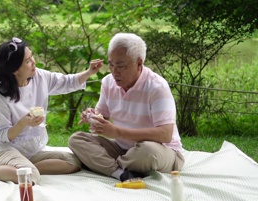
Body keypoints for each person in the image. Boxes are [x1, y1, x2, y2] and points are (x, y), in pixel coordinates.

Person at [0, 37, 103, 184]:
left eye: (31, 56)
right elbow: (2, 135)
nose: (33, 62)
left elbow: (67, 82)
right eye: (27, 61)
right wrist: (23, 122)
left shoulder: (39, 76)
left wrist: (89, 72)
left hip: (28, 151)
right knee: (29, 176)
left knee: (73, 162)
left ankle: (20, 167)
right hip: (1, 147)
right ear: (15, 70)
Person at [68, 33, 184, 182]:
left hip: (162, 151)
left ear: (139, 63)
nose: (114, 71)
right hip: (123, 150)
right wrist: (93, 117)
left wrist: (117, 132)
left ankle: (105, 165)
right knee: (76, 139)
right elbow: (102, 116)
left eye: (121, 66)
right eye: (111, 64)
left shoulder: (157, 87)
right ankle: (120, 172)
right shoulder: (108, 82)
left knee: (147, 151)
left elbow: (165, 134)